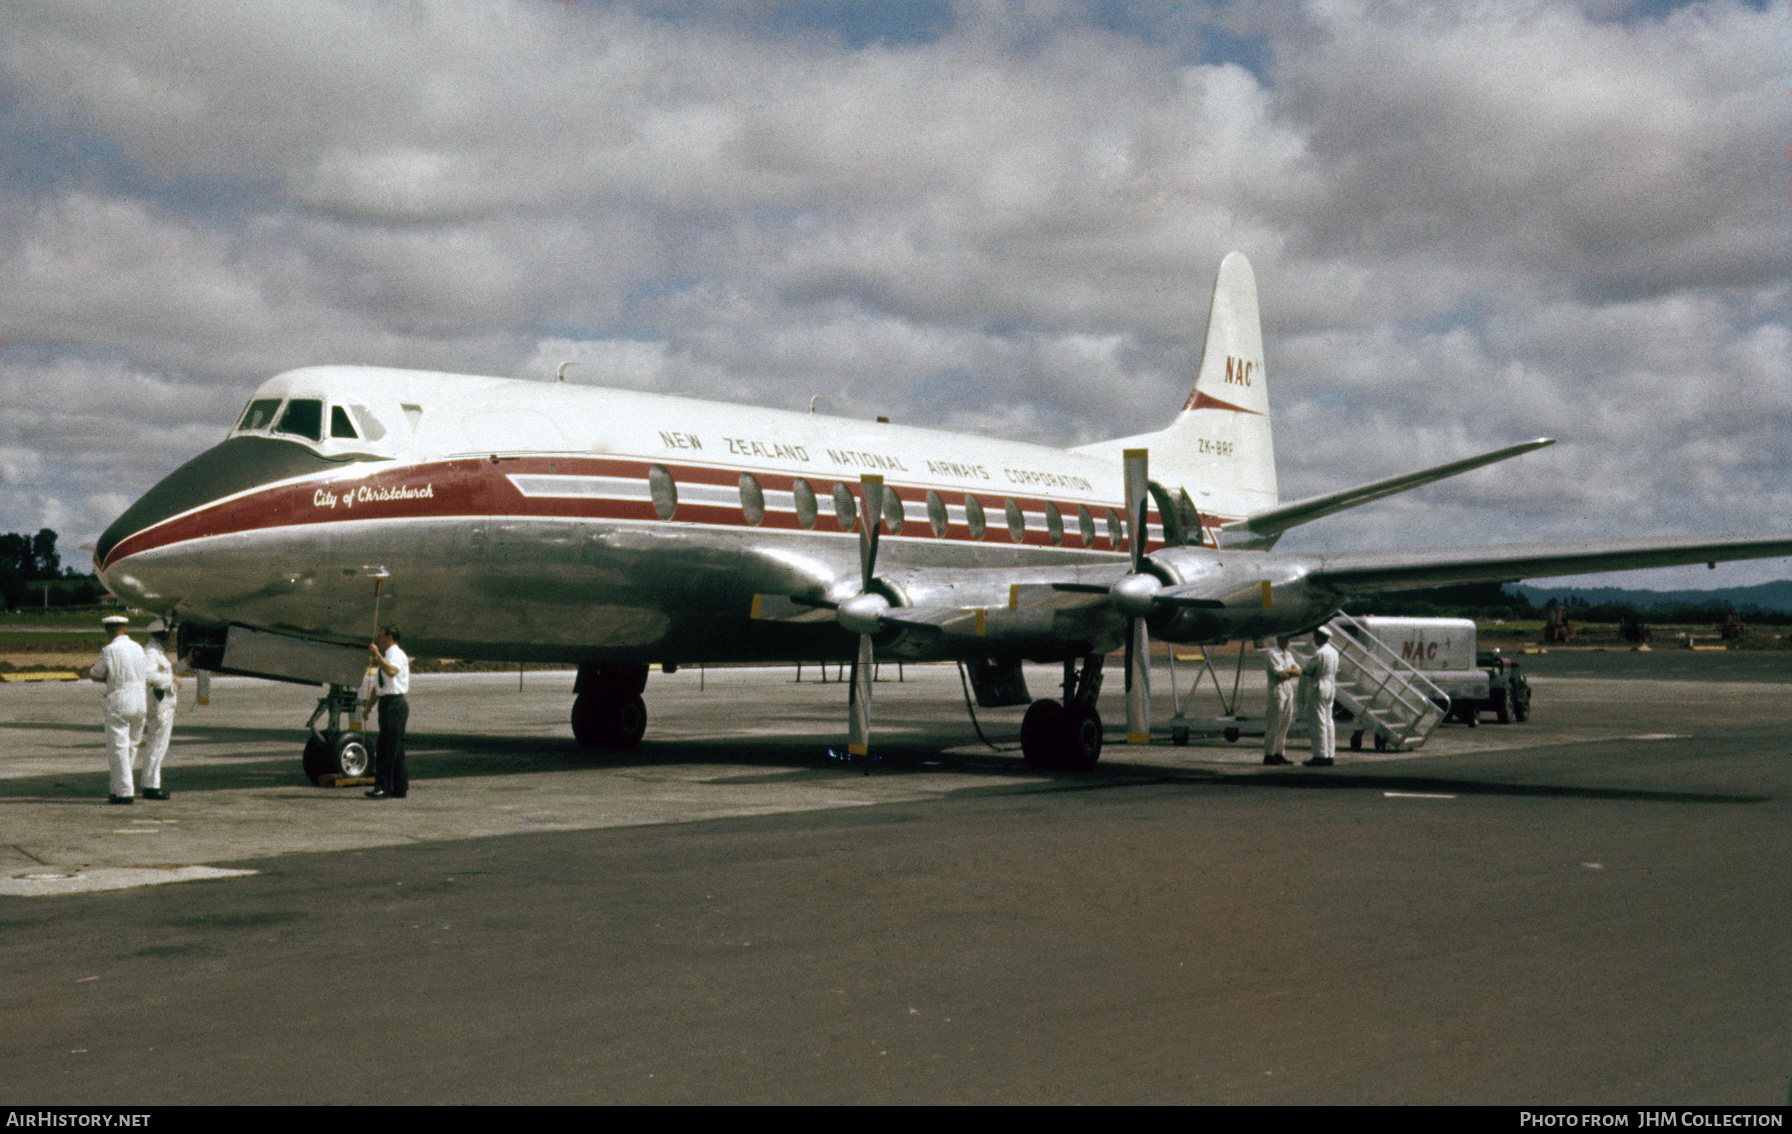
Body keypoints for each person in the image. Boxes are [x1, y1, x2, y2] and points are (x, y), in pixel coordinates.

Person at [89, 614, 148, 804]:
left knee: (118, 748)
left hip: (120, 698)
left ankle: (124, 791)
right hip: (140, 699)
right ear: (125, 628)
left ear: (108, 630)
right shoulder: (139, 648)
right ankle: (117, 787)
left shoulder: (109, 650)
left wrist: (111, 678)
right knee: (131, 746)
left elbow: (95, 674)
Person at [138, 623, 181, 800]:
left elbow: (165, 672)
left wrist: (186, 664)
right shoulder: (151, 652)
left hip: (164, 703)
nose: (172, 638)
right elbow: (147, 675)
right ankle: (151, 786)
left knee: (159, 744)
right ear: (164, 635)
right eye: (170, 634)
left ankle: (151, 783)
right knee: (157, 744)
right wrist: (171, 679)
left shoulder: (157, 652)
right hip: (160, 704)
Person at [366, 626, 410, 800]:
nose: (378, 639)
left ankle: (383, 787)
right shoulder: (388, 656)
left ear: (390, 637)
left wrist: (377, 656)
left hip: (395, 704)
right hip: (387, 703)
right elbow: (379, 688)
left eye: (381, 636)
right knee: (395, 748)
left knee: (386, 747)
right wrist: (368, 708)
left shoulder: (396, 655)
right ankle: (399, 787)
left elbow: (391, 671)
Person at [1300, 624, 1340, 767]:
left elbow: (1308, 670)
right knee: (1329, 721)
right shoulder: (1334, 652)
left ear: (1319, 637)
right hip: (1330, 685)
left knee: (1318, 722)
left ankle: (1320, 755)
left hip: (1319, 685)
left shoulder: (1320, 653)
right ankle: (1329, 754)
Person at [1261, 636, 1300, 765]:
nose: (1288, 642)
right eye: (1285, 639)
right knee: (1274, 723)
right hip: (1277, 691)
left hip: (1287, 690)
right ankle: (1269, 754)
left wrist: (1288, 671)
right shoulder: (1272, 654)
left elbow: (1298, 671)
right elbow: (1281, 675)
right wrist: (1290, 671)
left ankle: (1279, 753)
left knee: (1285, 723)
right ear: (1279, 640)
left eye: (1289, 639)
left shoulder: (1288, 654)